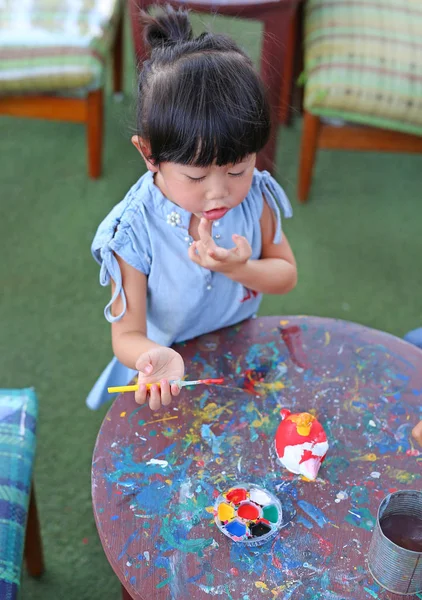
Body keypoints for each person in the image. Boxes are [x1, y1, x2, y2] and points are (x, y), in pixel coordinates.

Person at [87, 5, 297, 412]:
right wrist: (157, 358)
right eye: (197, 178)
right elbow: (126, 336)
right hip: (165, 373)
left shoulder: (254, 196)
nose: (219, 193)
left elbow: (285, 275)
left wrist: (239, 269)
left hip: (238, 353)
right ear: (149, 154)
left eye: (238, 167)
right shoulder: (132, 233)